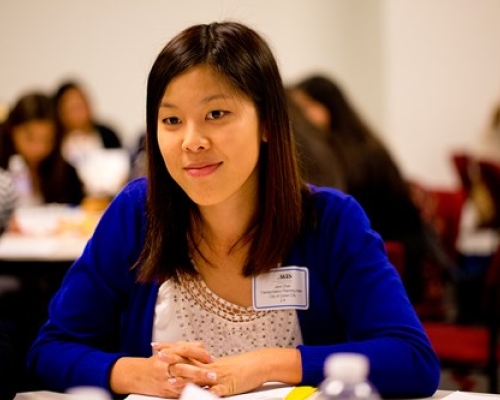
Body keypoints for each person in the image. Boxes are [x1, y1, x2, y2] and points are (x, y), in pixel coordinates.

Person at [27, 21, 440, 398]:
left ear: (267, 124)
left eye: (216, 114)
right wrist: (134, 373)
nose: (192, 141)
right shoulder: (138, 213)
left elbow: (412, 359)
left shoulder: (329, 221)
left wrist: (267, 364)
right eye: (171, 121)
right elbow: (50, 350)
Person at [289, 75, 451, 314]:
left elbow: (344, 226)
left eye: (304, 107)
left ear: (328, 108)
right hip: (383, 254)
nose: (297, 118)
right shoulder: (361, 143)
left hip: (392, 265)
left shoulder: (350, 155)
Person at [0, 92, 84, 206]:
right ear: (12, 131)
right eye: (30, 138)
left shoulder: (65, 173)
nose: (38, 148)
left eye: (47, 139)